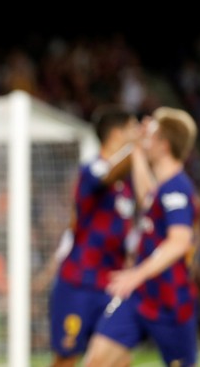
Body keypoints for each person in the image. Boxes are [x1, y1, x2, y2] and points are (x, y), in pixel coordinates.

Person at [84, 106, 200, 367]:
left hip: (170, 302)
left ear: (164, 145)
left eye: (150, 136)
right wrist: (137, 149)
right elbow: (147, 198)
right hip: (139, 297)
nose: (143, 138)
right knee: (97, 362)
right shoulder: (162, 188)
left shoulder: (178, 189)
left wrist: (137, 273)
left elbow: (179, 242)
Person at [47, 104, 139, 367]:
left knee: (118, 358)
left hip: (111, 284)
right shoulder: (92, 170)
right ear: (117, 133)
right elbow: (107, 176)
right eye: (134, 129)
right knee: (66, 359)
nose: (139, 135)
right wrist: (139, 148)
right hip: (79, 282)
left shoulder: (128, 182)